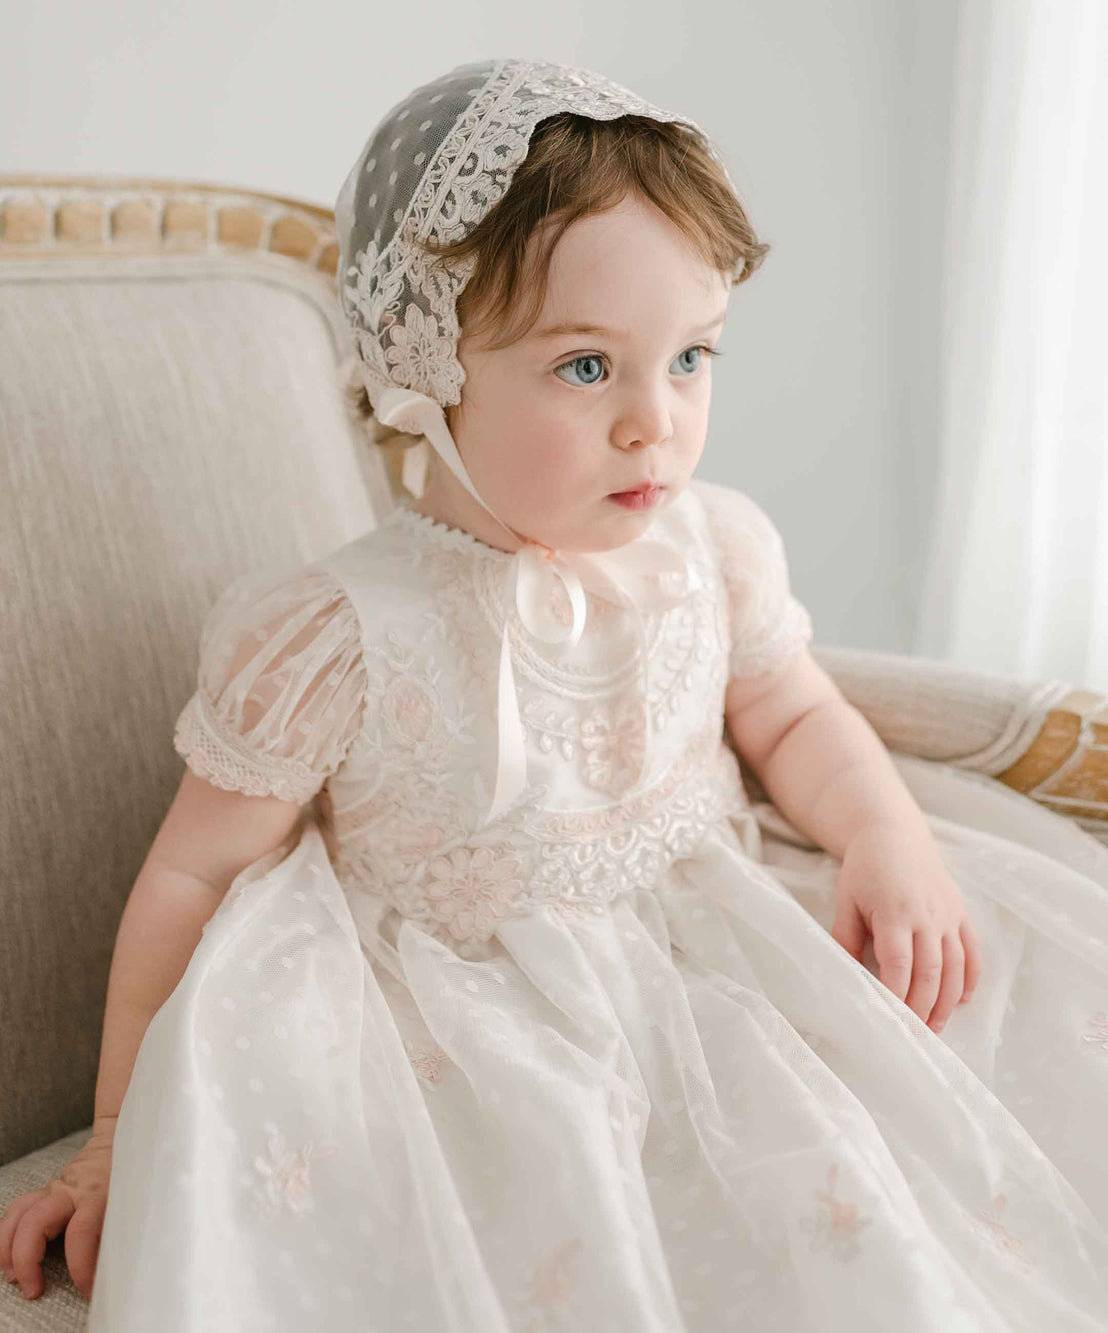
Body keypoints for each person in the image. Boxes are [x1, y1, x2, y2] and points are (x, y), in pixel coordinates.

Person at [3, 56, 1107, 1332]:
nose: (656, 423)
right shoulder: (337, 634)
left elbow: (794, 715)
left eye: (690, 357)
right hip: (478, 1030)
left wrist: (883, 837)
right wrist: (109, 1140)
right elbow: (190, 878)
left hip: (724, 949)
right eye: (588, 369)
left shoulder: (714, 547)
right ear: (426, 363)